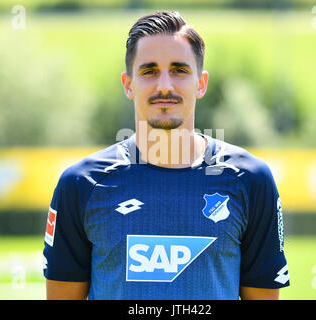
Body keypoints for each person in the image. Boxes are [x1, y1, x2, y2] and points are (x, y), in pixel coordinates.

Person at [43, 10, 289, 300]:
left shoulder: (250, 181)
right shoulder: (81, 185)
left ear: (200, 83)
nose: (164, 86)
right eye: (149, 71)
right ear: (128, 84)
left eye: (179, 70)